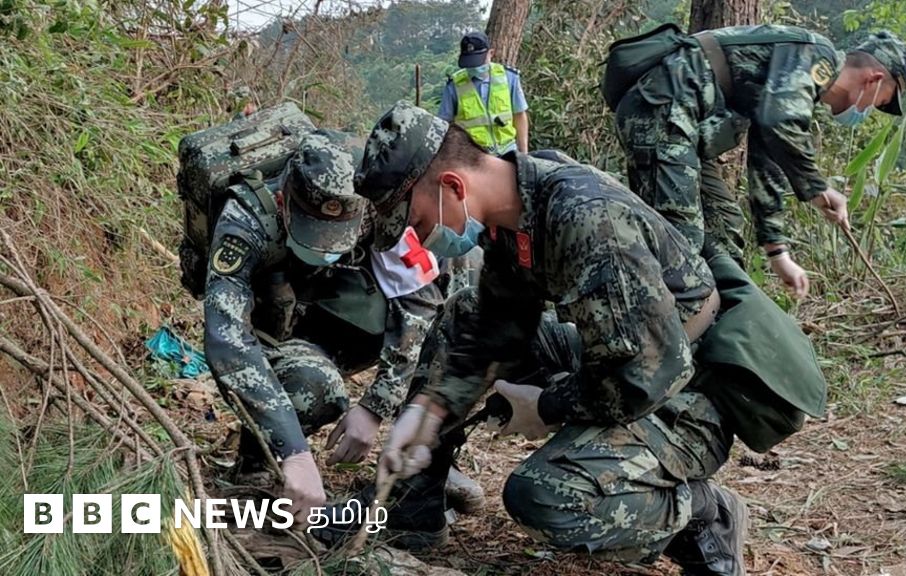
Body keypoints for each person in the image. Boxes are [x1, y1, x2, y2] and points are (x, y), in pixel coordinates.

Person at [312, 102, 827, 576]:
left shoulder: (584, 217)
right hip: (626, 353)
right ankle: (413, 505)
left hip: (691, 388)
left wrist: (547, 405)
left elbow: (641, 378)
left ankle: (702, 512)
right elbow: (495, 325)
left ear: (452, 186)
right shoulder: (515, 212)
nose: (420, 239)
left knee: (547, 497)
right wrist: (429, 411)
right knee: (461, 315)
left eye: (416, 220)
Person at [203, 130, 480, 526]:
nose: (326, 247)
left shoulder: (376, 200)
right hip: (274, 327)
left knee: (462, 302)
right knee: (312, 387)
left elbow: (418, 304)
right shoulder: (245, 219)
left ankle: (422, 467)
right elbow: (227, 340)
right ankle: (258, 459)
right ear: (284, 203)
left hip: (337, 312)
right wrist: (294, 451)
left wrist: (375, 408)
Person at [608, 27, 906, 298]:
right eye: (882, 101)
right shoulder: (815, 55)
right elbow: (778, 122)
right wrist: (818, 188)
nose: (871, 109)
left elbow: (767, 156)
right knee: (680, 243)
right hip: (661, 112)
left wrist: (777, 252)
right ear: (874, 79)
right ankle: (648, 340)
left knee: (724, 228)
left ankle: (721, 331)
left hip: (681, 126)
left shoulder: (799, 84)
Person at [438, 31, 529, 155]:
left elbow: (519, 115)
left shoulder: (509, 77)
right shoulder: (454, 85)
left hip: (507, 151)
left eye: (478, 61)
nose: (474, 67)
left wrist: (524, 153)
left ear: (491, 53)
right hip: (472, 156)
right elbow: (444, 124)